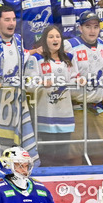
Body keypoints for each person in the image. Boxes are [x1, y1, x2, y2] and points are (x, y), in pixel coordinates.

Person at [23, 25, 78, 167]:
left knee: (62, 156)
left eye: (58, 36)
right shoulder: (36, 58)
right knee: (47, 156)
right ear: (44, 40)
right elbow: (28, 83)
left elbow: (74, 78)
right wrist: (41, 83)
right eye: (51, 36)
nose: (55, 39)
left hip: (65, 115)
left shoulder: (69, 58)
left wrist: (79, 81)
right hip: (45, 114)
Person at [63, 10, 103, 164]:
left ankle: (98, 179)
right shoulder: (70, 45)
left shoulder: (102, 45)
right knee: (74, 153)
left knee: (101, 150)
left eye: (96, 26)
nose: (92, 30)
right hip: (76, 106)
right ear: (80, 28)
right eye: (88, 26)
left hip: (97, 106)